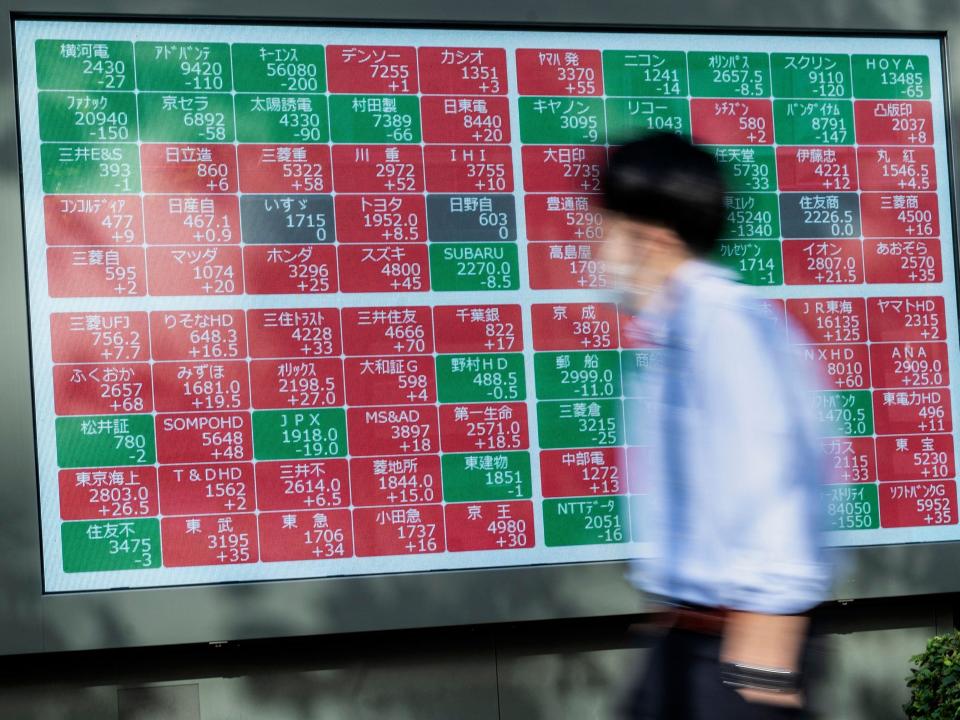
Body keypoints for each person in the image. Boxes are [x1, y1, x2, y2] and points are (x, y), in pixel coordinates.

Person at [598, 132, 832, 719]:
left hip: (731, 660)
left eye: (605, 228)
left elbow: (783, 506)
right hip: (684, 642)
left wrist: (759, 683)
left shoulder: (730, 333)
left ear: (649, 236)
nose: (595, 247)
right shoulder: (672, 333)